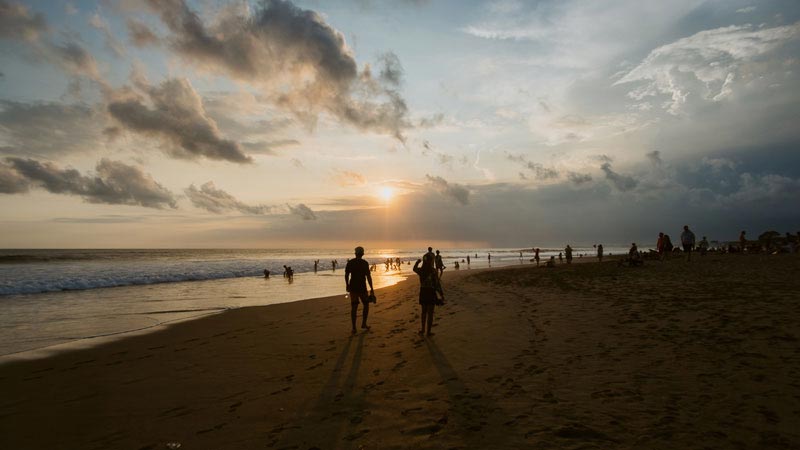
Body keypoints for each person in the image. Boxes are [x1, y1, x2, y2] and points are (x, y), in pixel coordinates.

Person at [345, 246, 374, 334]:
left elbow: (346, 275)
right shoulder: (365, 263)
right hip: (362, 287)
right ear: (362, 254)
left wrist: (347, 285)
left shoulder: (350, 262)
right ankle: (363, 324)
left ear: (355, 253)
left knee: (354, 307)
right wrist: (372, 288)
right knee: (366, 304)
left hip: (353, 287)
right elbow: (368, 276)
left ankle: (354, 328)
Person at [414, 252, 444, 336]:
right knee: (430, 313)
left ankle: (423, 329)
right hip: (431, 292)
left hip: (423, 291)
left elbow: (414, 269)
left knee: (423, 312)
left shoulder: (421, 270)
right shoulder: (433, 271)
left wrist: (417, 262)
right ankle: (428, 332)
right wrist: (441, 294)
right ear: (431, 261)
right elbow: (437, 284)